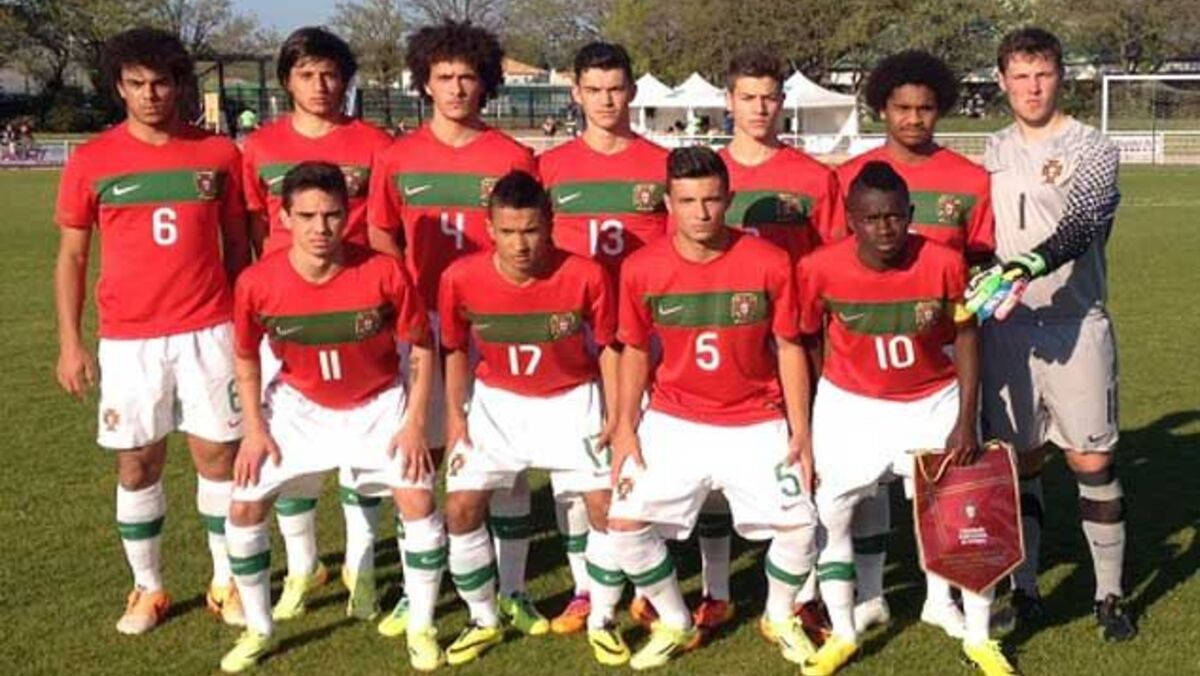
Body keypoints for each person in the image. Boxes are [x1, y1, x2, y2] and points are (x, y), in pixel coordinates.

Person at [53, 27, 250, 635]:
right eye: (136, 83)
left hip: (209, 331)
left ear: (178, 84)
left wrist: (246, 331)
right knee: (137, 463)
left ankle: (226, 581)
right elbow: (72, 257)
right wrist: (70, 343)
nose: (149, 94)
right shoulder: (92, 160)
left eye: (160, 82)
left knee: (219, 457)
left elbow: (238, 247)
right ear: (119, 87)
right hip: (129, 339)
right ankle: (148, 586)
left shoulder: (219, 154)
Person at [219, 162, 440, 673]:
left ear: (348, 214)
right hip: (298, 406)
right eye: (307, 216)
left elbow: (421, 347)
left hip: (377, 403)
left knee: (418, 500)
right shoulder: (256, 283)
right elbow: (246, 357)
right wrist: (253, 430)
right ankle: (259, 630)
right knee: (244, 507)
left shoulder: (385, 272)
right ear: (284, 218)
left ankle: (422, 627)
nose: (321, 228)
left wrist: (413, 423)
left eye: (333, 215)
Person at [797, 161, 1014, 676]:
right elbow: (807, 336)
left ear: (910, 214)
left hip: (931, 400)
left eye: (894, 216)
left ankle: (979, 637)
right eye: (871, 218)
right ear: (851, 218)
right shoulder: (817, 268)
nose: (884, 228)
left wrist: (966, 418)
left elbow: (966, 336)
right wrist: (825, 398)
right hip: (851, 405)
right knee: (833, 512)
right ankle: (844, 633)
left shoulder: (944, 262)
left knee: (965, 516)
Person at [607, 146, 820, 670]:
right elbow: (634, 350)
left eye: (710, 200)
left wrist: (801, 431)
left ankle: (778, 615)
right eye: (687, 201)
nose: (700, 213)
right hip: (674, 417)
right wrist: (625, 426)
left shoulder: (769, 262)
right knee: (624, 529)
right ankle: (676, 621)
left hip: (755, 417)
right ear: (667, 203)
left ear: (729, 199)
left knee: (802, 529)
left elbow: (789, 347)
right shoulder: (641, 268)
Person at [367, 18, 542, 637]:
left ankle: (513, 587)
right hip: (423, 323)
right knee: (422, 453)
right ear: (425, 82)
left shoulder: (512, 156)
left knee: (502, 459)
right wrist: (402, 291)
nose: (457, 88)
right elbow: (381, 230)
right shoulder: (398, 156)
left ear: (485, 83)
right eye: (444, 77)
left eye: (468, 77)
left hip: (495, 321)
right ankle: (419, 583)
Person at [832, 50, 996, 638]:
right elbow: (835, 262)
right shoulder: (847, 177)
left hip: (941, 356)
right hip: (864, 358)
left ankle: (939, 597)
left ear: (940, 110)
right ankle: (871, 593)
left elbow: (981, 264)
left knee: (940, 480)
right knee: (865, 482)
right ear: (882, 107)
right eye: (901, 107)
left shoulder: (970, 180)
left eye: (925, 108)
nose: (913, 119)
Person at [978, 27, 1135, 642]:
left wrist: (1029, 264)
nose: (1032, 87)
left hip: (1076, 323)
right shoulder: (991, 148)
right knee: (1020, 462)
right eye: (1020, 76)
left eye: (1042, 74)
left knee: (1091, 460)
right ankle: (1026, 587)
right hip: (1007, 330)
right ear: (1002, 82)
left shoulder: (1094, 147)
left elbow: (1082, 224)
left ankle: (1109, 595)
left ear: (1061, 76)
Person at [240, 26, 395, 623]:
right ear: (287, 81)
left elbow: (381, 229)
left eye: (331, 74)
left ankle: (361, 565)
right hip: (285, 317)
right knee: (288, 451)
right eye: (306, 74)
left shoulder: (374, 144)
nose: (320, 85)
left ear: (346, 80)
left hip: (358, 312)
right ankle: (304, 566)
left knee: (364, 447)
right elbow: (256, 234)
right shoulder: (259, 148)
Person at [438, 170, 623, 665]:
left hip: (572, 400)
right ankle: (484, 618)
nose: (520, 244)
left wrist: (615, 413)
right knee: (460, 508)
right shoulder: (459, 278)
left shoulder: (585, 275)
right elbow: (453, 348)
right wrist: (455, 416)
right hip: (497, 404)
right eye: (507, 231)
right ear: (489, 228)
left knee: (605, 506)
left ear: (550, 224)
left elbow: (609, 347)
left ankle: (603, 619)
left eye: (531, 230)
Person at [536, 40, 672, 636]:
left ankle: (642, 579)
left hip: (644, 334)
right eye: (593, 89)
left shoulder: (661, 163)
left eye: (616, 88)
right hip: (575, 332)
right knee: (577, 466)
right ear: (576, 93)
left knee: (639, 453)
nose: (606, 100)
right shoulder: (549, 167)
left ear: (632, 91)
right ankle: (586, 588)